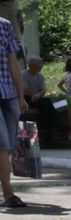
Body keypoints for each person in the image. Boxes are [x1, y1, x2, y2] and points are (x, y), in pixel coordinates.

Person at [0, 15, 29, 208]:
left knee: (8, 146)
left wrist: (20, 96)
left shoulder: (5, 25)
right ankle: (8, 194)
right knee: (2, 144)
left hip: (8, 93)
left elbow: (13, 63)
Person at [20, 56, 55, 147]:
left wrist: (38, 95)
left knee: (47, 103)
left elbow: (43, 90)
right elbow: (24, 89)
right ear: (32, 65)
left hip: (36, 98)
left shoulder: (40, 76)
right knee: (46, 103)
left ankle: (49, 129)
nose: (41, 65)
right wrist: (34, 94)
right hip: (26, 98)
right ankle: (50, 127)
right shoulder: (23, 74)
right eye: (39, 63)